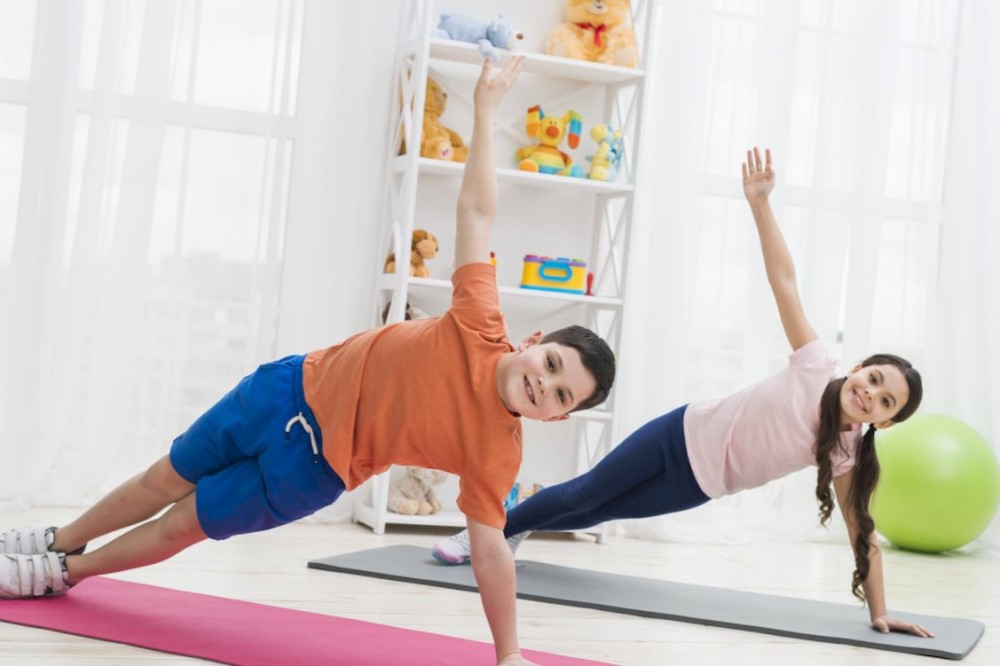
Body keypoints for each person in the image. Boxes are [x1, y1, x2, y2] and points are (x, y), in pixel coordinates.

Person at [0, 56, 616, 666]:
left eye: (563, 396)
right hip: (285, 390)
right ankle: (56, 540)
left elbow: (489, 552)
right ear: (536, 341)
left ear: (559, 420)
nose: (546, 385)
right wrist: (484, 109)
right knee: (163, 477)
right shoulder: (480, 320)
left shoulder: (497, 452)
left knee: (181, 523)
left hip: (311, 470)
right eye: (555, 364)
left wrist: (509, 654)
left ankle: (63, 573)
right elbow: (476, 211)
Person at [434, 147, 935, 639]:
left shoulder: (844, 450)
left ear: (885, 423)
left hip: (697, 484)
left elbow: (860, 529)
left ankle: (511, 531)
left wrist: (880, 612)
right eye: (873, 379)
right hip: (679, 433)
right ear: (859, 368)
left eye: (885, 401)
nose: (870, 394)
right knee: (589, 490)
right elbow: (784, 280)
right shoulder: (814, 364)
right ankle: (488, 534)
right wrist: (760, 205)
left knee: (597, 510)